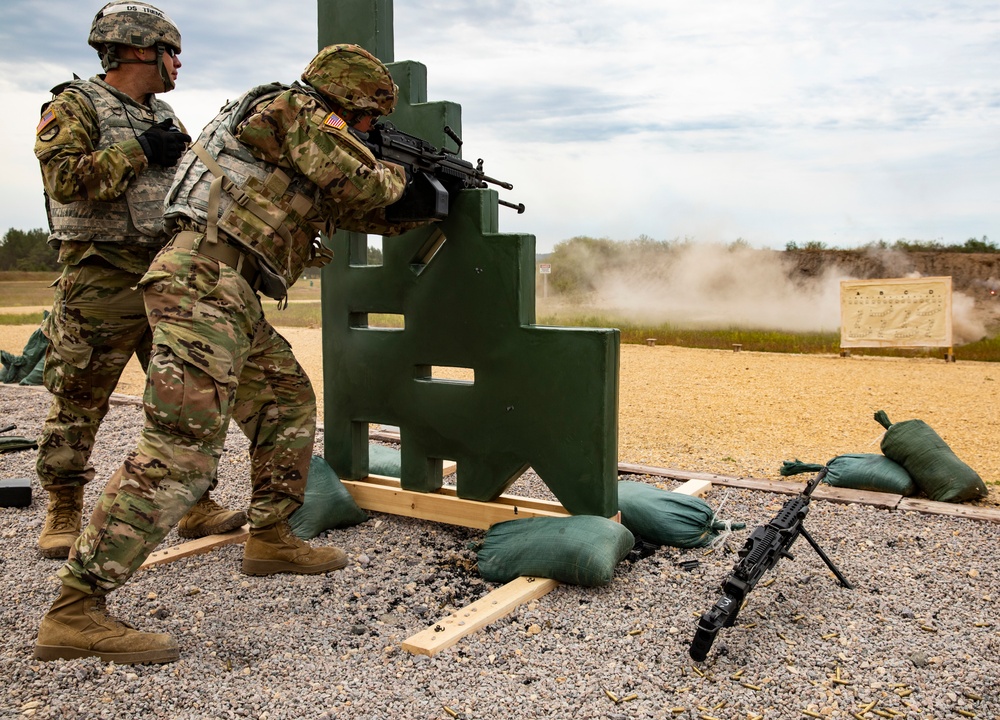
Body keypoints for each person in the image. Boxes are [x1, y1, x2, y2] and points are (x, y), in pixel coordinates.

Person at [34, 43, 426, 664]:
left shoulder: (294, 139)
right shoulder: (292, 110)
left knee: (286, 402)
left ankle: (269, 536)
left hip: (228, 289)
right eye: (368, 118)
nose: (370, 131)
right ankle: (75, 608)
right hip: (203, 282)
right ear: (344, 101)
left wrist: (418, 206)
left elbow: (349, 205)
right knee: (181, 449)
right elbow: (364, 182)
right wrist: (399, 174)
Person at [33, 2, 245, 560]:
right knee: (78, 400)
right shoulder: (75, 105)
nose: (178, 62)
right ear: (134, 49)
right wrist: (139, 150)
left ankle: (193, 505)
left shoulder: (166, 118)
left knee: (184, 400)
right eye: (170, 51)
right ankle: (63, 509)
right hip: (100, 279)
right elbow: (64, 178)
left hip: (163, 275)